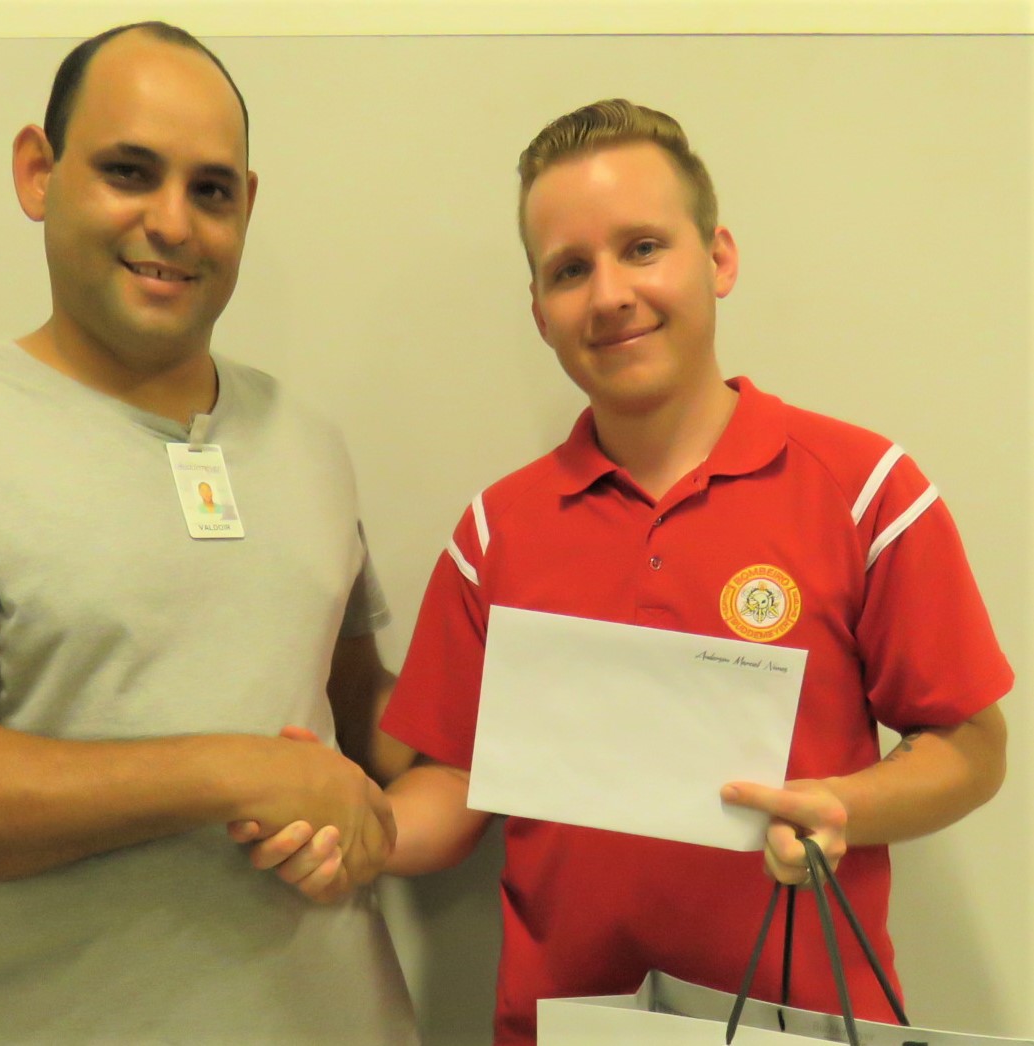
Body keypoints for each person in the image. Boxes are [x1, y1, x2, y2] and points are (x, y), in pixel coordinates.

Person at [241, 99, 1011, 1045]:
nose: (609, 295)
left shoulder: (866, 491)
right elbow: (457, 779)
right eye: (570, 269)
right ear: (539, 311)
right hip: (561, 1026)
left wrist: (843, 805)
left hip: (802, 1026)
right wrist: (363, 831)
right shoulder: (496, 534)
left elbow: (971, 746)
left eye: (642, 248)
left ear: (717, 258)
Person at [0, 22, 416, 1045]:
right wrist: (234, 770)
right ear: (37, 172)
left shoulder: (307, 441)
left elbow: (356, 714)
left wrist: (550, 732)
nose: (171, 222)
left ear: (246, 205)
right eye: (129, 172)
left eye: (210, 190)